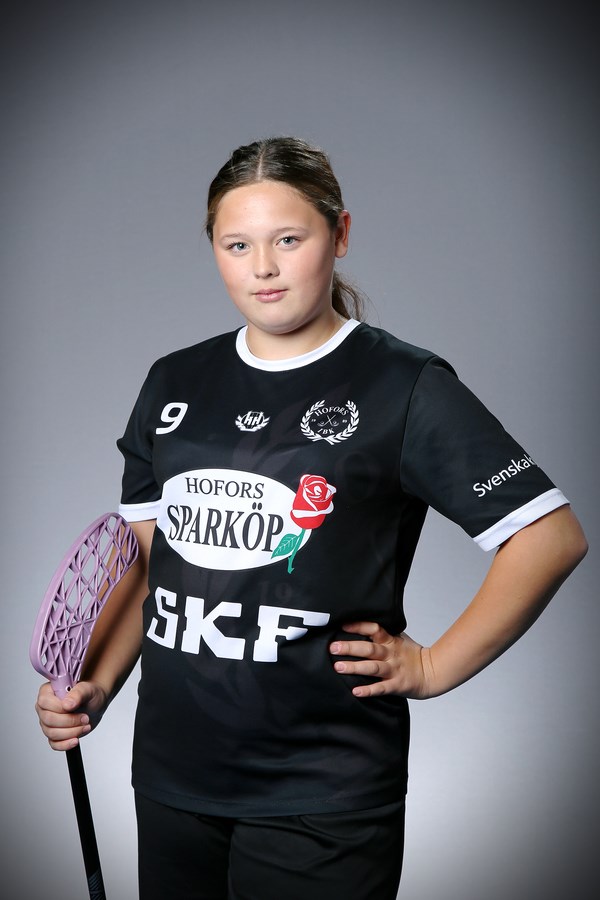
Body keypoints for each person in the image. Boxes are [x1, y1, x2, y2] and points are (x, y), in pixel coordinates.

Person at [35, 136, 588, 900]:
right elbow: (151, 565)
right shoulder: (174, 381)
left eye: (288, 240)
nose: (262, 266)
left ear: (340, 233)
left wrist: (433, 667)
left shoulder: (403, 385)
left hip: (323, 791)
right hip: (172, 772)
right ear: (214, 249)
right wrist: (97, 682)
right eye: (237, 244)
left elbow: (548, 536)